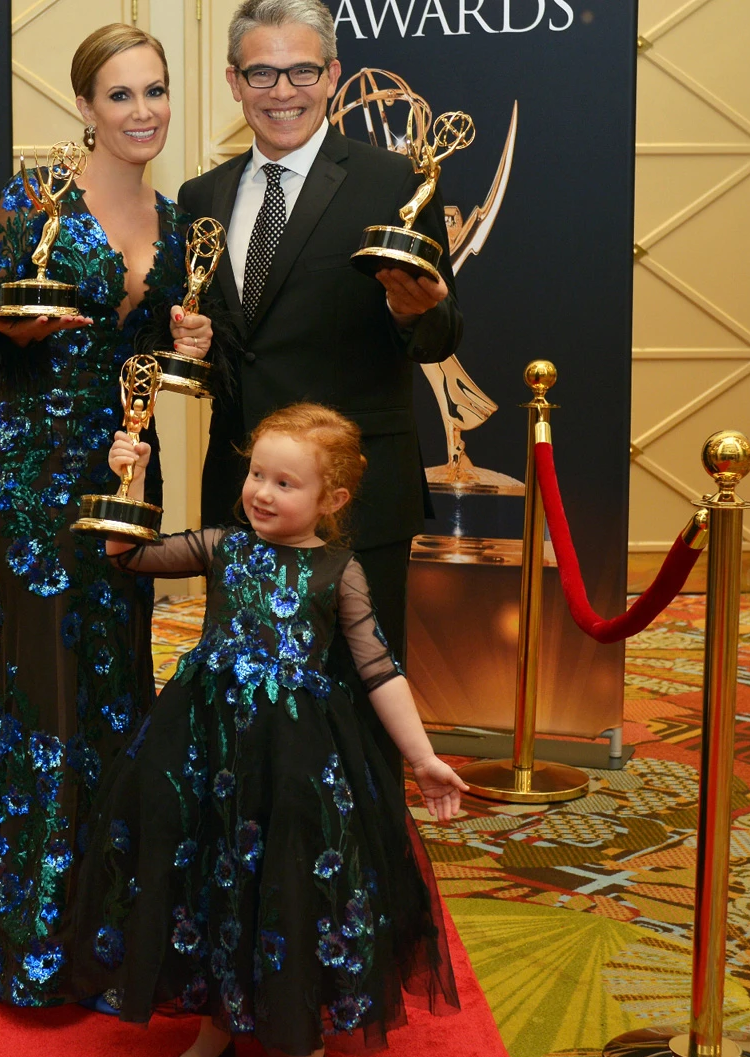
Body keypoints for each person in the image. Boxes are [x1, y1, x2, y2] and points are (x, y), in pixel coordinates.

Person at [0, 24, 217, 1007]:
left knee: (116, 678)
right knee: (47, 686)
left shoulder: (178, 222)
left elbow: (161, 357)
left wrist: (188, 341)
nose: (142, 111)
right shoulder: (36, 199)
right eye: (120, 94)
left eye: (155, 91)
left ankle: (107, 918)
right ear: (85, 107)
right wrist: (15, 323)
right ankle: (36, 944)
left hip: (127, 478)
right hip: (35, 477)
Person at [61, 404, 468, 1057]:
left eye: (285, 483)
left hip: (295, 760)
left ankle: (305, 1048)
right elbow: (126, 553)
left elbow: (379, 669)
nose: (262, 493)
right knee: (211, 881)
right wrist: (131, 477)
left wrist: (423, 758)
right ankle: (214, 1028)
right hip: (207, 748)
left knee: (290, 885)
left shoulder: (339, 570)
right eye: (256, 475)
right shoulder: (223, 545)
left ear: (332, 500)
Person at [178, 0, 464, 660]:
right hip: (243, 492)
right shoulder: (201, 198)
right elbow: (230, 344)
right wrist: (191, 342)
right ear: (234, 82)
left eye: (302, 71)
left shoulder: (396, 183)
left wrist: (410, 311)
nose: (283, 92)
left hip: (354, 495)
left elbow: (443, 332)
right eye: (262, 74)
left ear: (333, 75)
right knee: (244, 688)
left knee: (358, 692)